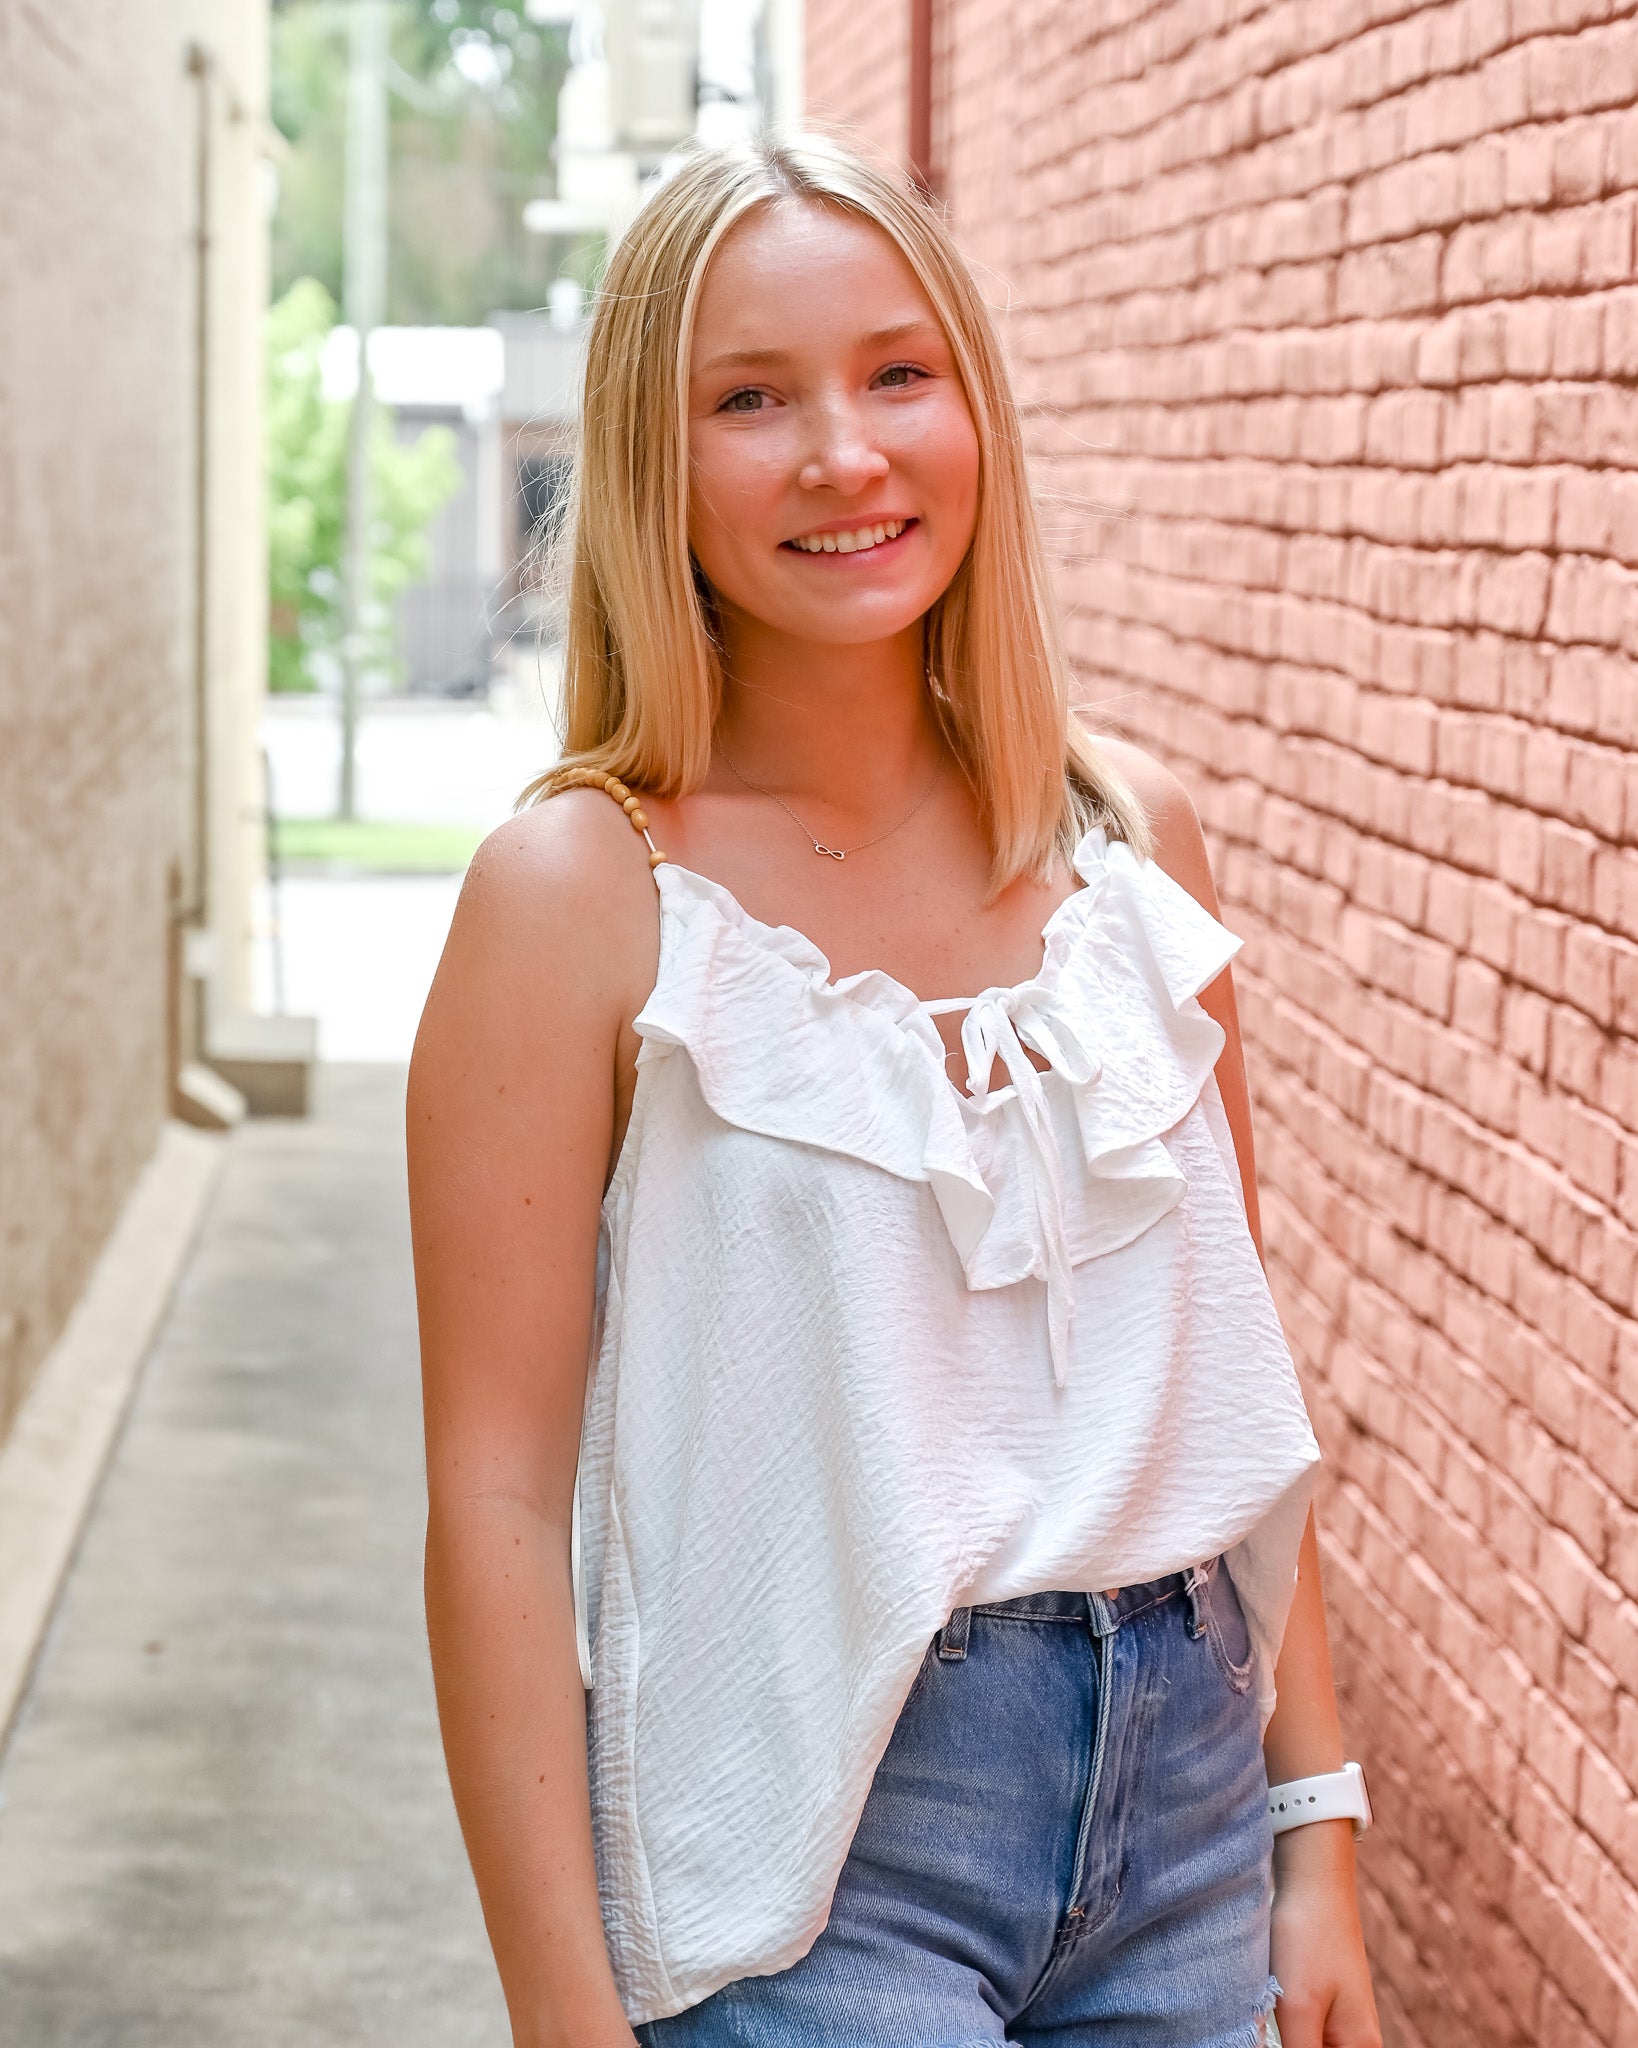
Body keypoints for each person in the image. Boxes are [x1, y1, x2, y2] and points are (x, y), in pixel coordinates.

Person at [407, 130, 1382, 2048]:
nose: (841, 454)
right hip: (805, 1843)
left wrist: (1311, 1827)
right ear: (652, 470)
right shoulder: (582, 897)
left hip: (1183, 1800)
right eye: (749, 399)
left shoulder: (1134, 846)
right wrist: (557, 2011)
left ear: (974, 411)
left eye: (895, 374)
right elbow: (496, 1498)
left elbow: (1226, 1380)